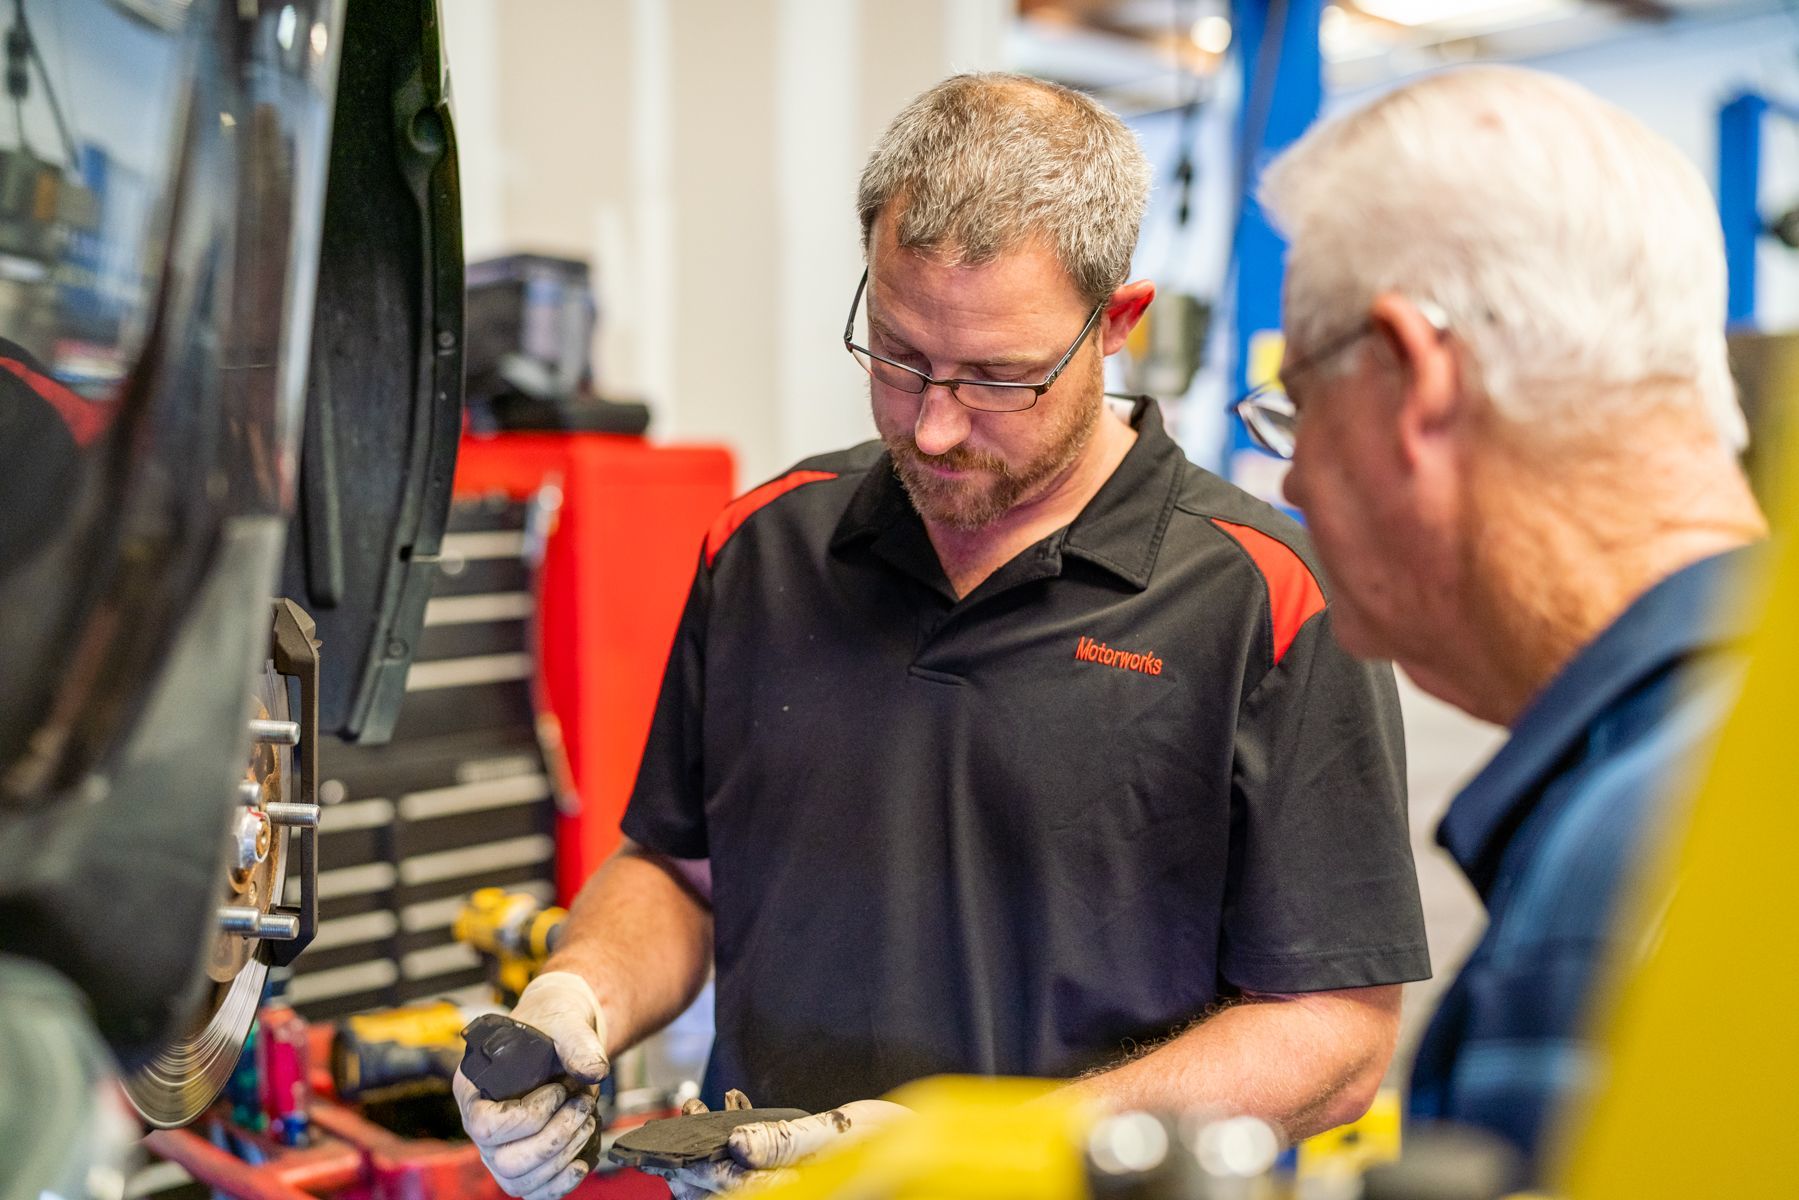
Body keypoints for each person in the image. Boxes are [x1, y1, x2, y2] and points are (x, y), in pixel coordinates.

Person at [458, 72, 1430, 1200]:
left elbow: (1332, 1031)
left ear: (1116, 324)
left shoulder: (1266, 595)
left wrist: (983, 1156)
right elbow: (680, 873)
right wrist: (578, 995)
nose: (930, 426)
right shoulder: (765, 546)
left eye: (996, 378)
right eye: (898, 354)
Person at [1248, 66, 1768, 1172]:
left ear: (1412, 382)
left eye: (1299, 407)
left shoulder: (1633, 875)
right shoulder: (1734, 751)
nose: (1289, 480)